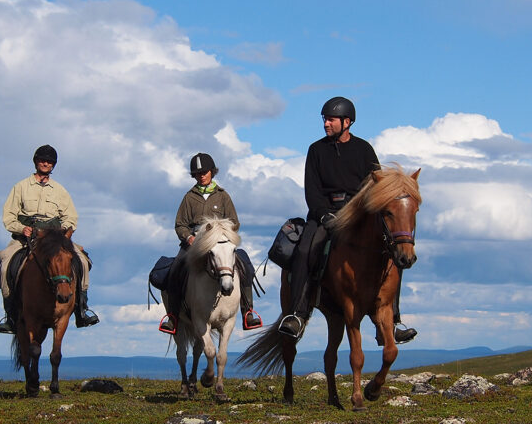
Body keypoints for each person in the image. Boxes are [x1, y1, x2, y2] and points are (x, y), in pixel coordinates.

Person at [277, 96, 417, 343]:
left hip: (356, 215)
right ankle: (297, 315)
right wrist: (323, 214)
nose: (326, 124)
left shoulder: (364, 149)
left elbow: (375, 186)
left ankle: (393, 321)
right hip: (324, 216)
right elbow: (312, 190)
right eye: (325, 119)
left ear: (347, 122)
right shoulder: (316, 150)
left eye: (331, 120)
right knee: (303, 251)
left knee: (393, 252)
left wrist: (359, 212)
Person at [0, 144, 99, 334]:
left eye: (49, 161)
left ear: (53, 165)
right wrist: (21, 228)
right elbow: (9, 216)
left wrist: (65, 232)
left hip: (54, 238)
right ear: (36, 162)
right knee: (4, 262)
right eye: (42, 160)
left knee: (82, 260)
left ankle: (82, 309)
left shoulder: (59, 190)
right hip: (26, 237)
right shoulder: (20, 187)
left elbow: (71, 217)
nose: (45, 163)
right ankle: (9, 315)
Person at [159, 152, 262, 334]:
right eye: (198, 173)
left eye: (205, 172)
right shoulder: (189, 197)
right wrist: (188, 237)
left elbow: (235, 222)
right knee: (175, 270)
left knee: (246, 265)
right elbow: (180, 224)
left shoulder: (223, 196)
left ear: (212, 172)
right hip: (194, 244)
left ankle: (249, 312)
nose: (202, 175)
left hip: (220, 243)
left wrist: (222, 231)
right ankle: (173, 317)